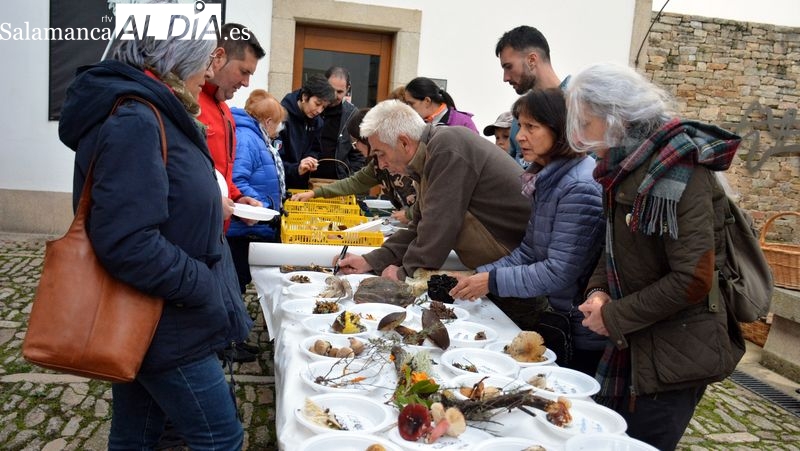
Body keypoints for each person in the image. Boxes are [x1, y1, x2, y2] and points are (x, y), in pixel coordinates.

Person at [58, 34, 250, 450]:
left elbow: (156, 202)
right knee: (220, 437)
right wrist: (201, 283)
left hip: (157, 316)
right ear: (175, 59)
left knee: (137, 436)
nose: (210, 71)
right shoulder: (138, 117)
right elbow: (127, 239)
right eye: (206, 60)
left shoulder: (156, 109)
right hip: (167, 319)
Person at [568, 63, 744, 450]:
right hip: (637, 340)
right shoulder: (623, 169)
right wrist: (598, 291)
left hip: (675, 354)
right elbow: (614, 247)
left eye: (584, 121)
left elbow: (693, 279)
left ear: (614, 116)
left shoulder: (678, 172)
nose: (579, 134)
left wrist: (612, 316)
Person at [450, 88, 606, 375]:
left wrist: (491, 281)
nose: (519, 136)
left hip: (581, 329)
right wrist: (478, 276)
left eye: (531, 127)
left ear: (561, 129)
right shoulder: (549, 177)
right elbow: (529, 251)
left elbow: (559, 270)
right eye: (520, 126)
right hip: (564, 319)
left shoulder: (578, 186)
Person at [336, 100, 530, 281]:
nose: (381, 164)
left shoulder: (446, 148)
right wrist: (371, 261)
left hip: (517, 272)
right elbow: (419, 225)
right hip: (500, 270)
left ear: (404, 142)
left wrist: (405, 274)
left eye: (380, 153)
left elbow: (439, 227)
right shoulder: (430, 154)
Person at [290, 108, 418, 224]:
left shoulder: (405, 158)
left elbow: (433, 200)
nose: (355, 147)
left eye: (355, 142)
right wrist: (314, 193)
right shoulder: (375, 166)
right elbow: (353, 183)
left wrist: (410, 213)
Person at [199, 23, 266, 226]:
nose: (246, 83)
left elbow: (221, 174)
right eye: (243, 72)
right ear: (219, 58)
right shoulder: (190, 104)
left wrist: (237, 198)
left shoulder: (226, 112)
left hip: (216, 233)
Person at [227, 90, 287, 293]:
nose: (279, 130)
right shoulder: (247, 138)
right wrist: (265, 205)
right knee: (239, 283)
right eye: (278, 124)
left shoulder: (255, 137)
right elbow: (236, 180)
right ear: (268, 121)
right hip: (245, 230)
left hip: (254, 229)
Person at [495, 25, 569, 167]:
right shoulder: (520, 116)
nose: (505, 77)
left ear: (532, 60)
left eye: (509, 67)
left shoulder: (579, 107)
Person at [279, 75, 336, 189]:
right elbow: (275, 160)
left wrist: (310, 160)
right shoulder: (282, 117)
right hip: (281, 184)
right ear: (304, 97)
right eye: (317, 104)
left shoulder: (317, 122)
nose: (319, 110)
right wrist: (296, 168)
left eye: (324, 107)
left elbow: (315, 149)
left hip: (302, 185)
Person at [316, 66, 365, 180]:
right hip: (305, 181)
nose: (334, 96)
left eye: (339, 92)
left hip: (339, 184)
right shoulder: (311, 109)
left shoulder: (352, 115)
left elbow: (359, 155)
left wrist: (349, 180)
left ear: (347, 89)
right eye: (331, 89)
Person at [402, 76, 479, 133]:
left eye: (411, 104)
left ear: (427, 101)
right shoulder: (414, 124)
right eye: (407, 104)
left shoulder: (463, 122)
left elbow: (475, 152)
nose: (408, 108)